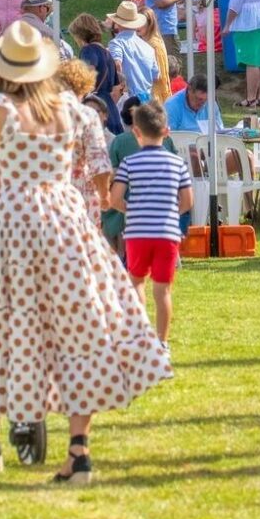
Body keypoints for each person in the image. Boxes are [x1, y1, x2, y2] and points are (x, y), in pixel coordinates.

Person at [0, 22, 172, 484]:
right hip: (65, 218)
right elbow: (80, 173)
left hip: (16, 224)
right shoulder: (74, 109)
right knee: (79, 326)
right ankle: (78, 451)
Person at [108, 101, 194, 342]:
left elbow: (114, 199)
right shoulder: (177, 164)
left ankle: (139, 335)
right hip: (166, 233)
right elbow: (187, 201)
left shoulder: (128, 163)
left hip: (137, 232)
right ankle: (162, 342)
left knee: (136, 282)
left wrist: (131, 209)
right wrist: (171, 212)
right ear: (166, 131)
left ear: (136, 132)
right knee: (162, 290)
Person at [104, 1, 157, 110]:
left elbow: (117, 65)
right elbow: (156, 76)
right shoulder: (148, 48)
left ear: (118, 23)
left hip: (128, 101)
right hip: (147, 101)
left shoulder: (117, 43)